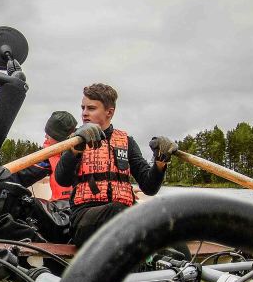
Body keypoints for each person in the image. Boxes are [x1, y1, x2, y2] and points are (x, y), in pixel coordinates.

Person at [55, 83, 177, 246]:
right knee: (119, 211)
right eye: (83, 108)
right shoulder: (75, 140)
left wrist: (161, 162)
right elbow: (62, 180)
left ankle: (184, 267)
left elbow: (149, 187)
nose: (84, 113)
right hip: (85, 220)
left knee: (169, 222)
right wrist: (74, 149)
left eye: (91, 108)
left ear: (109, 112)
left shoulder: (126, 142)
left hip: (123, 215)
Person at [8, 110, 77, 201]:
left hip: (77, 208)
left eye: (49, 134)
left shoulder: (85, 148)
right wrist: (1, 177)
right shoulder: (49, 157)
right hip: (60, 208)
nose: (45, 136)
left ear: (58, 137)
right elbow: (25, 174)